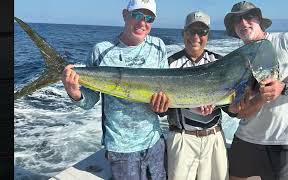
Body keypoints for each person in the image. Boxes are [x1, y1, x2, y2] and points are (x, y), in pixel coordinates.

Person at [61, 0, 169, 179]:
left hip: (155, 141)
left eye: (149, 18)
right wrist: (74, 92)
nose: (143, 23)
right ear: (125, 14)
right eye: (137, 15)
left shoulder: (158, 46)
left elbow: (166, 92)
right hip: (121, 148)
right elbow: (89, 101)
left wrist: (162, 107)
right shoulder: (101, 50)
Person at [224, 1, 288, 180]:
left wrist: (283, 87)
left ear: (259, 20)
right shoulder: (235, 60)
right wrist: (260, 99)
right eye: (237, 20)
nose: (243, 22)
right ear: (233, 28)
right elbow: (239, 112)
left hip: (284, 141)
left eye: (248, 17)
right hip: (246, 137)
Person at [152, 11, 236, 180]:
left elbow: (231, 107)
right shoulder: (168, 65)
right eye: (191, 32)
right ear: (184, 34)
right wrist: (159, 108)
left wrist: (218, 103)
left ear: (208, 35)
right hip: (182, 139)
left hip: (214, 138)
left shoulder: (221, 63)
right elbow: (161, 110)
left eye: (202, 32)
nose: (196, 37)